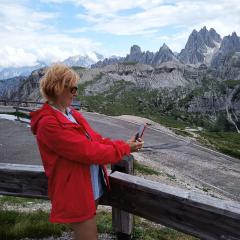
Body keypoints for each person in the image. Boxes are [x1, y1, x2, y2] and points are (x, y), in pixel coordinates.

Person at [30, 63, 144, 240]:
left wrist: (124, 143)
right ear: (59, 88)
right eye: (73, 89)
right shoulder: (48, 124)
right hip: (76, 192)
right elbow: (88, 152)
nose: (76, 93)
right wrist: (124, 148)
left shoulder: (71, 113)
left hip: (90, 186)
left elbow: (95, 140)